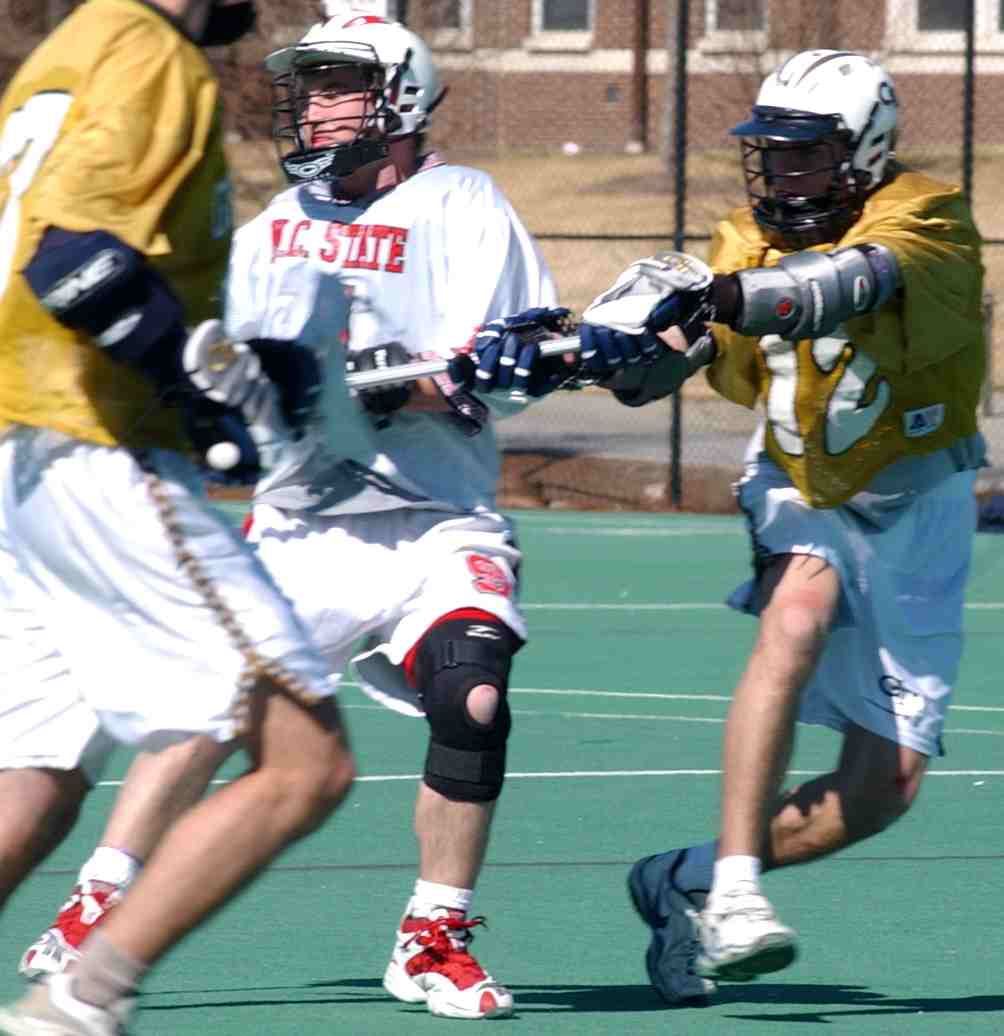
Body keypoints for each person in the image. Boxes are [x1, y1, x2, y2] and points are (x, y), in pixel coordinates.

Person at [17, 10, 563, 1023]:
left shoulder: (462, 205)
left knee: (474, 697)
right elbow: (231, 362)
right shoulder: (274, 221)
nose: (313, 107)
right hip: (303, 525)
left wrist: (402, 380)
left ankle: (433, 934)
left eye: (337, 86)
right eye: (307, 87)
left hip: (435, 517)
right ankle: (99, 899)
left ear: (398, 100)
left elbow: (501, 368)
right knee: (209, 716)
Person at [475, 49, 986, 1003]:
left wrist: (715, 297)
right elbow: (679, 350)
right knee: (796, 613)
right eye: (772, 153)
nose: (781, 172)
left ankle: (687, 878)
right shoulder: (740, 239)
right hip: (797, 483)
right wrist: (589, 354)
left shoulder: (929, 217)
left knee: (882, 792)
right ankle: (741, 894)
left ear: (866, 152)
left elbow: (839, 284)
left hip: (919, 504)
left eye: (805, 153)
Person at [0, 2, 357, 1034]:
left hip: (25, 451)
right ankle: (78, 1000)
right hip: (96, 451)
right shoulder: (149, 50)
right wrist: (193, 393)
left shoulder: (67, 45)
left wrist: (227, 358)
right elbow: (74, 259)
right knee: (307, 764)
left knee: (38, 775)